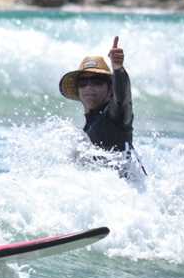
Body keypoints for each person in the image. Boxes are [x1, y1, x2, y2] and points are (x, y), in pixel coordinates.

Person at [58, 36, 146, 180]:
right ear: (78, 90)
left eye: (97, 81)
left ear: (110, 89)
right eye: (83, 82)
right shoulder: (86, 130)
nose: (89, 87)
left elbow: (123, 99)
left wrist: (118, 69)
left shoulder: (115, 116)